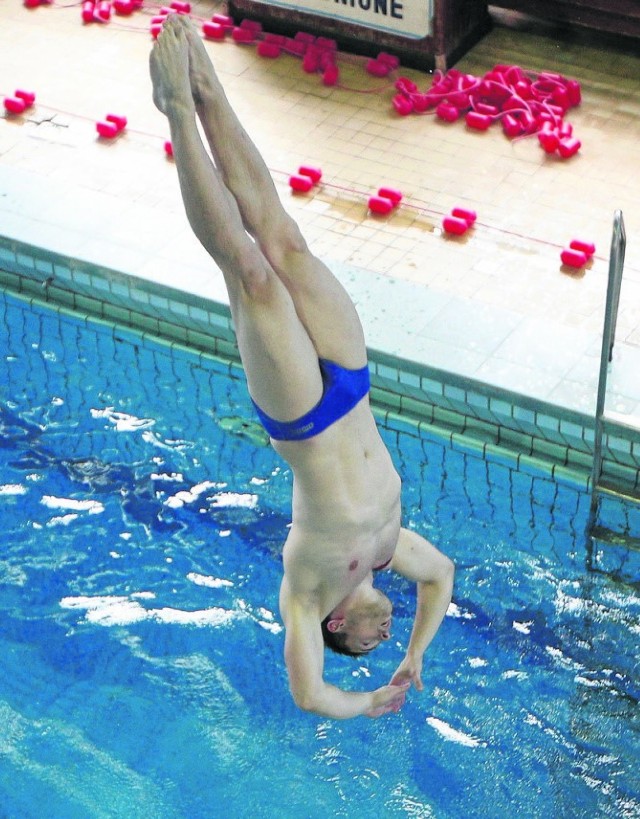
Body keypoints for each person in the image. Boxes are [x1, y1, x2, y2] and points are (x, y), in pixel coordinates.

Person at [149, 15, 454, 719]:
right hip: (351, 381)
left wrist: (366, 698)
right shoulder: (386, 551)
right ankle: (207, 86)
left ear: (336, 629)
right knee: (284, 238)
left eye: (371, 642)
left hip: (304, 417)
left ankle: (175, 107)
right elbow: (441, 576)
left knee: (252, 271)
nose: (382, 634)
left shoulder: (308, 591)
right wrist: (413, 656)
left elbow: (308, 692)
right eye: (387, 637)